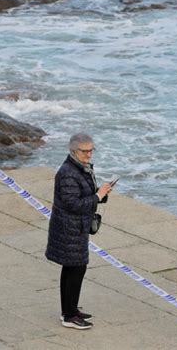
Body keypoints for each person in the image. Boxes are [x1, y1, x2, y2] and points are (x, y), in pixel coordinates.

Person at [45, 132, 113, 329]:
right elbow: (73, 204)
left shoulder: (81, 168)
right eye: (85, 151)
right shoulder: (67, 173)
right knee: (75, 268)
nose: (89, 155)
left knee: (73, 268)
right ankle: (69, 316)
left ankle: (70, 310)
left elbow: (84, 195)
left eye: (91, 150)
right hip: (69, 228)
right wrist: (98, 196)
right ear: (73, 151)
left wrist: (101, 193)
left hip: (76, 227)